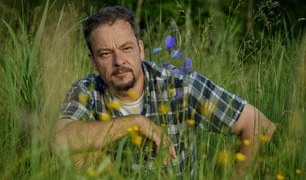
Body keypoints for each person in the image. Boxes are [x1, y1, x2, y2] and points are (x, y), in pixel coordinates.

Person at [54, 5, 275, 178]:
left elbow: (258, 125)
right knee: (78, 153)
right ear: (93, 61)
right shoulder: (87, 90)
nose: (119, 61)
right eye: (105, 54)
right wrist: (135, 123)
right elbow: (58, 140)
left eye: (126, 48)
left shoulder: (179, 84)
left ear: (141, 50)